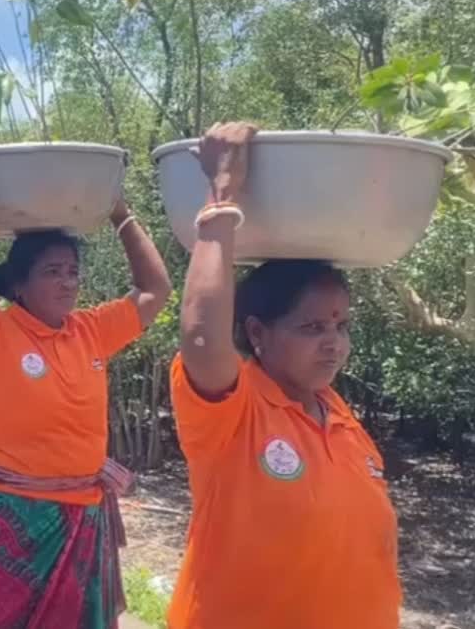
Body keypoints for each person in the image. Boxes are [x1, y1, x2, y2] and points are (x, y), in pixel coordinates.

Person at [0, 147, 173, 628]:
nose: (68, 282)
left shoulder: (92, 329)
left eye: (72, 270)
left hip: (79, 515)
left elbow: (154, 290)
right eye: (52, 271)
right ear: (19, 284)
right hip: (2, 509)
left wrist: (120, 213)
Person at [163, 123, 399, 628]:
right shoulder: (234, 410)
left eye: (341, 324)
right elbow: (202, 334)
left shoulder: (336, 413)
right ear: (258, 332)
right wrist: (222, 191)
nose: (334, 341)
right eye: (313, 326)